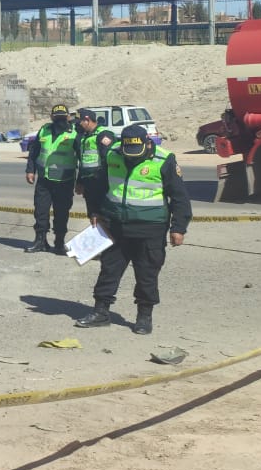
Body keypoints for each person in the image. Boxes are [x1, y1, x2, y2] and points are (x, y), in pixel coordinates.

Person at [75, 124, 191, 335]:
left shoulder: (164, 160)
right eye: (128, 153)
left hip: (150, 229)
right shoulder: (113, 153)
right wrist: (94, 211)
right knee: (108, 271)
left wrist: (179, 228)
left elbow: (180, 197)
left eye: (136, 154)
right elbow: (99, 185)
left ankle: (144, 317)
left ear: (148, 144)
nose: (131, 158)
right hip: (116, 226)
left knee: (146, 274)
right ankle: (101, 312)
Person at [25, 103, 77, 255]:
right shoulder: (44, 130)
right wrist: (30, 170)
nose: (59, 120)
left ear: (68, 117)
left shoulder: (75, 132)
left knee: (62, 213)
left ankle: (59, 243)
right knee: (41, 211)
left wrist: (81, 181)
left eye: (62, 117)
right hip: (44, 181)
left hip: (64, 181)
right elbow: (34, 151)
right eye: (57, 117)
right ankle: (40, 241)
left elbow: (82, 157)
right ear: (52, 117)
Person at [72, 108, 114, 224]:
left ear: (87, 120)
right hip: (89, 184)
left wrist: (100, 178)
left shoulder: (103, 134)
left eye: (79, 122)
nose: (78, 126)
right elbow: (83, 162)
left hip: (101, 184)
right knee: (92, 216)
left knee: (102, 218)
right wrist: (80, 181)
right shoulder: (85, 137)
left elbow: (108, 160)